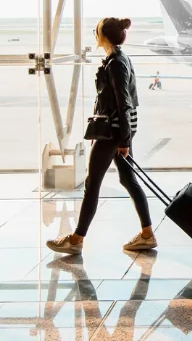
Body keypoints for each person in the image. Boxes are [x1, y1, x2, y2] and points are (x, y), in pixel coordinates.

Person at [47, 17, 157, 255]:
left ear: (103, 36)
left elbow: (123, 102)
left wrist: (124, 140)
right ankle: (147, 234)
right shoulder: (118, 58)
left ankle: (76, 240)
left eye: (96, 32)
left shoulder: (116, 63)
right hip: (119, 129)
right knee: (128, 180)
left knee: (92, 182)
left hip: (115, 131)